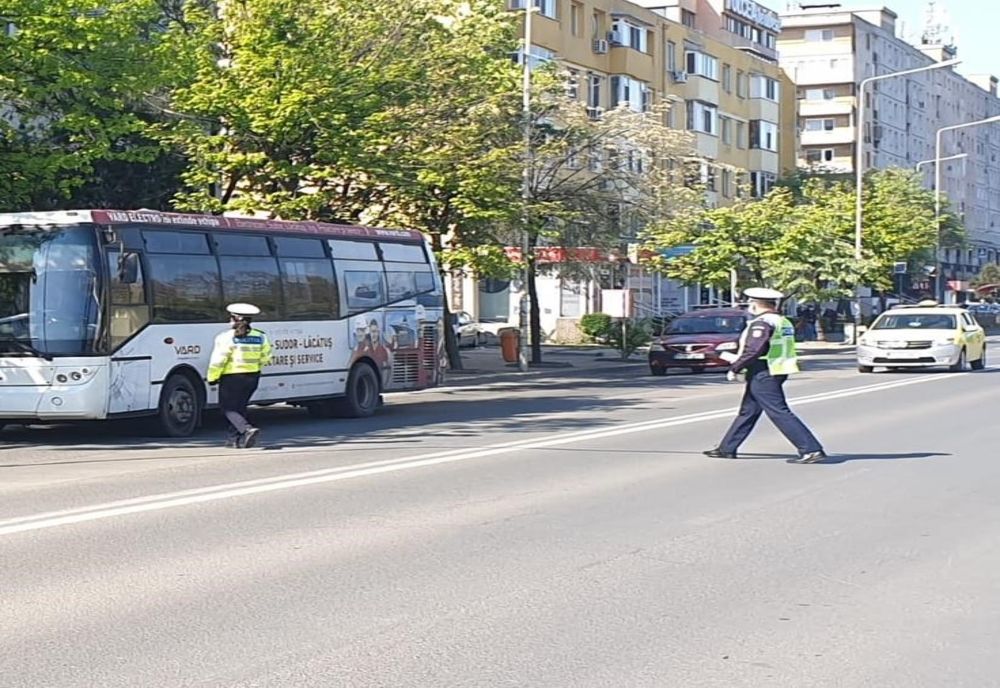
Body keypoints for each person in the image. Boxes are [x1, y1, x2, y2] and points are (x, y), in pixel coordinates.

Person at [704, 288, 827, 464]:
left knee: (778, 411)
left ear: (754, 304)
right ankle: (727, 448)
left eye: (750, 303)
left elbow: (754, 349)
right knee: (749, 411)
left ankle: (811, 449)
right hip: (776, 368)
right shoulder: (782, 321)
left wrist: (735, 367)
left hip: (764, 370)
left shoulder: (763, 322)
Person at [207, 303, 272, 449]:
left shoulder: (225, 337)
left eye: (230, 318)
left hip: (232, 377)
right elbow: (266, 357)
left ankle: (247, 429)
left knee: (227, 408)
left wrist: (212, 377)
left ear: (235, 319)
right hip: (252, 376)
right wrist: (255, 367)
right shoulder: (260, 336)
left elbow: (219, 359)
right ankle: (233, 440)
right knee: (240, 407)